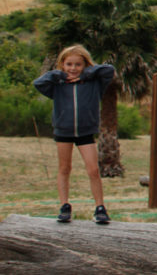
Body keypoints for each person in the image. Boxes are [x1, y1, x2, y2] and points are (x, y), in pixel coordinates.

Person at [33, 45, 116, 224]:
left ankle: (100, 208)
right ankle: (64, 206)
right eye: (69, 64)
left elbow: (109, 70)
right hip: (64, 131)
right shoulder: (57, 84)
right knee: (64, 168)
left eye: (78, 64)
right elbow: (38, 83)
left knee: (93, 170)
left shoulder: (94, 82)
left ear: (85, 64)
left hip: (86, 132)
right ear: (62, 64)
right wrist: (59, 75)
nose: (73, 68)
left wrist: (86, 73)